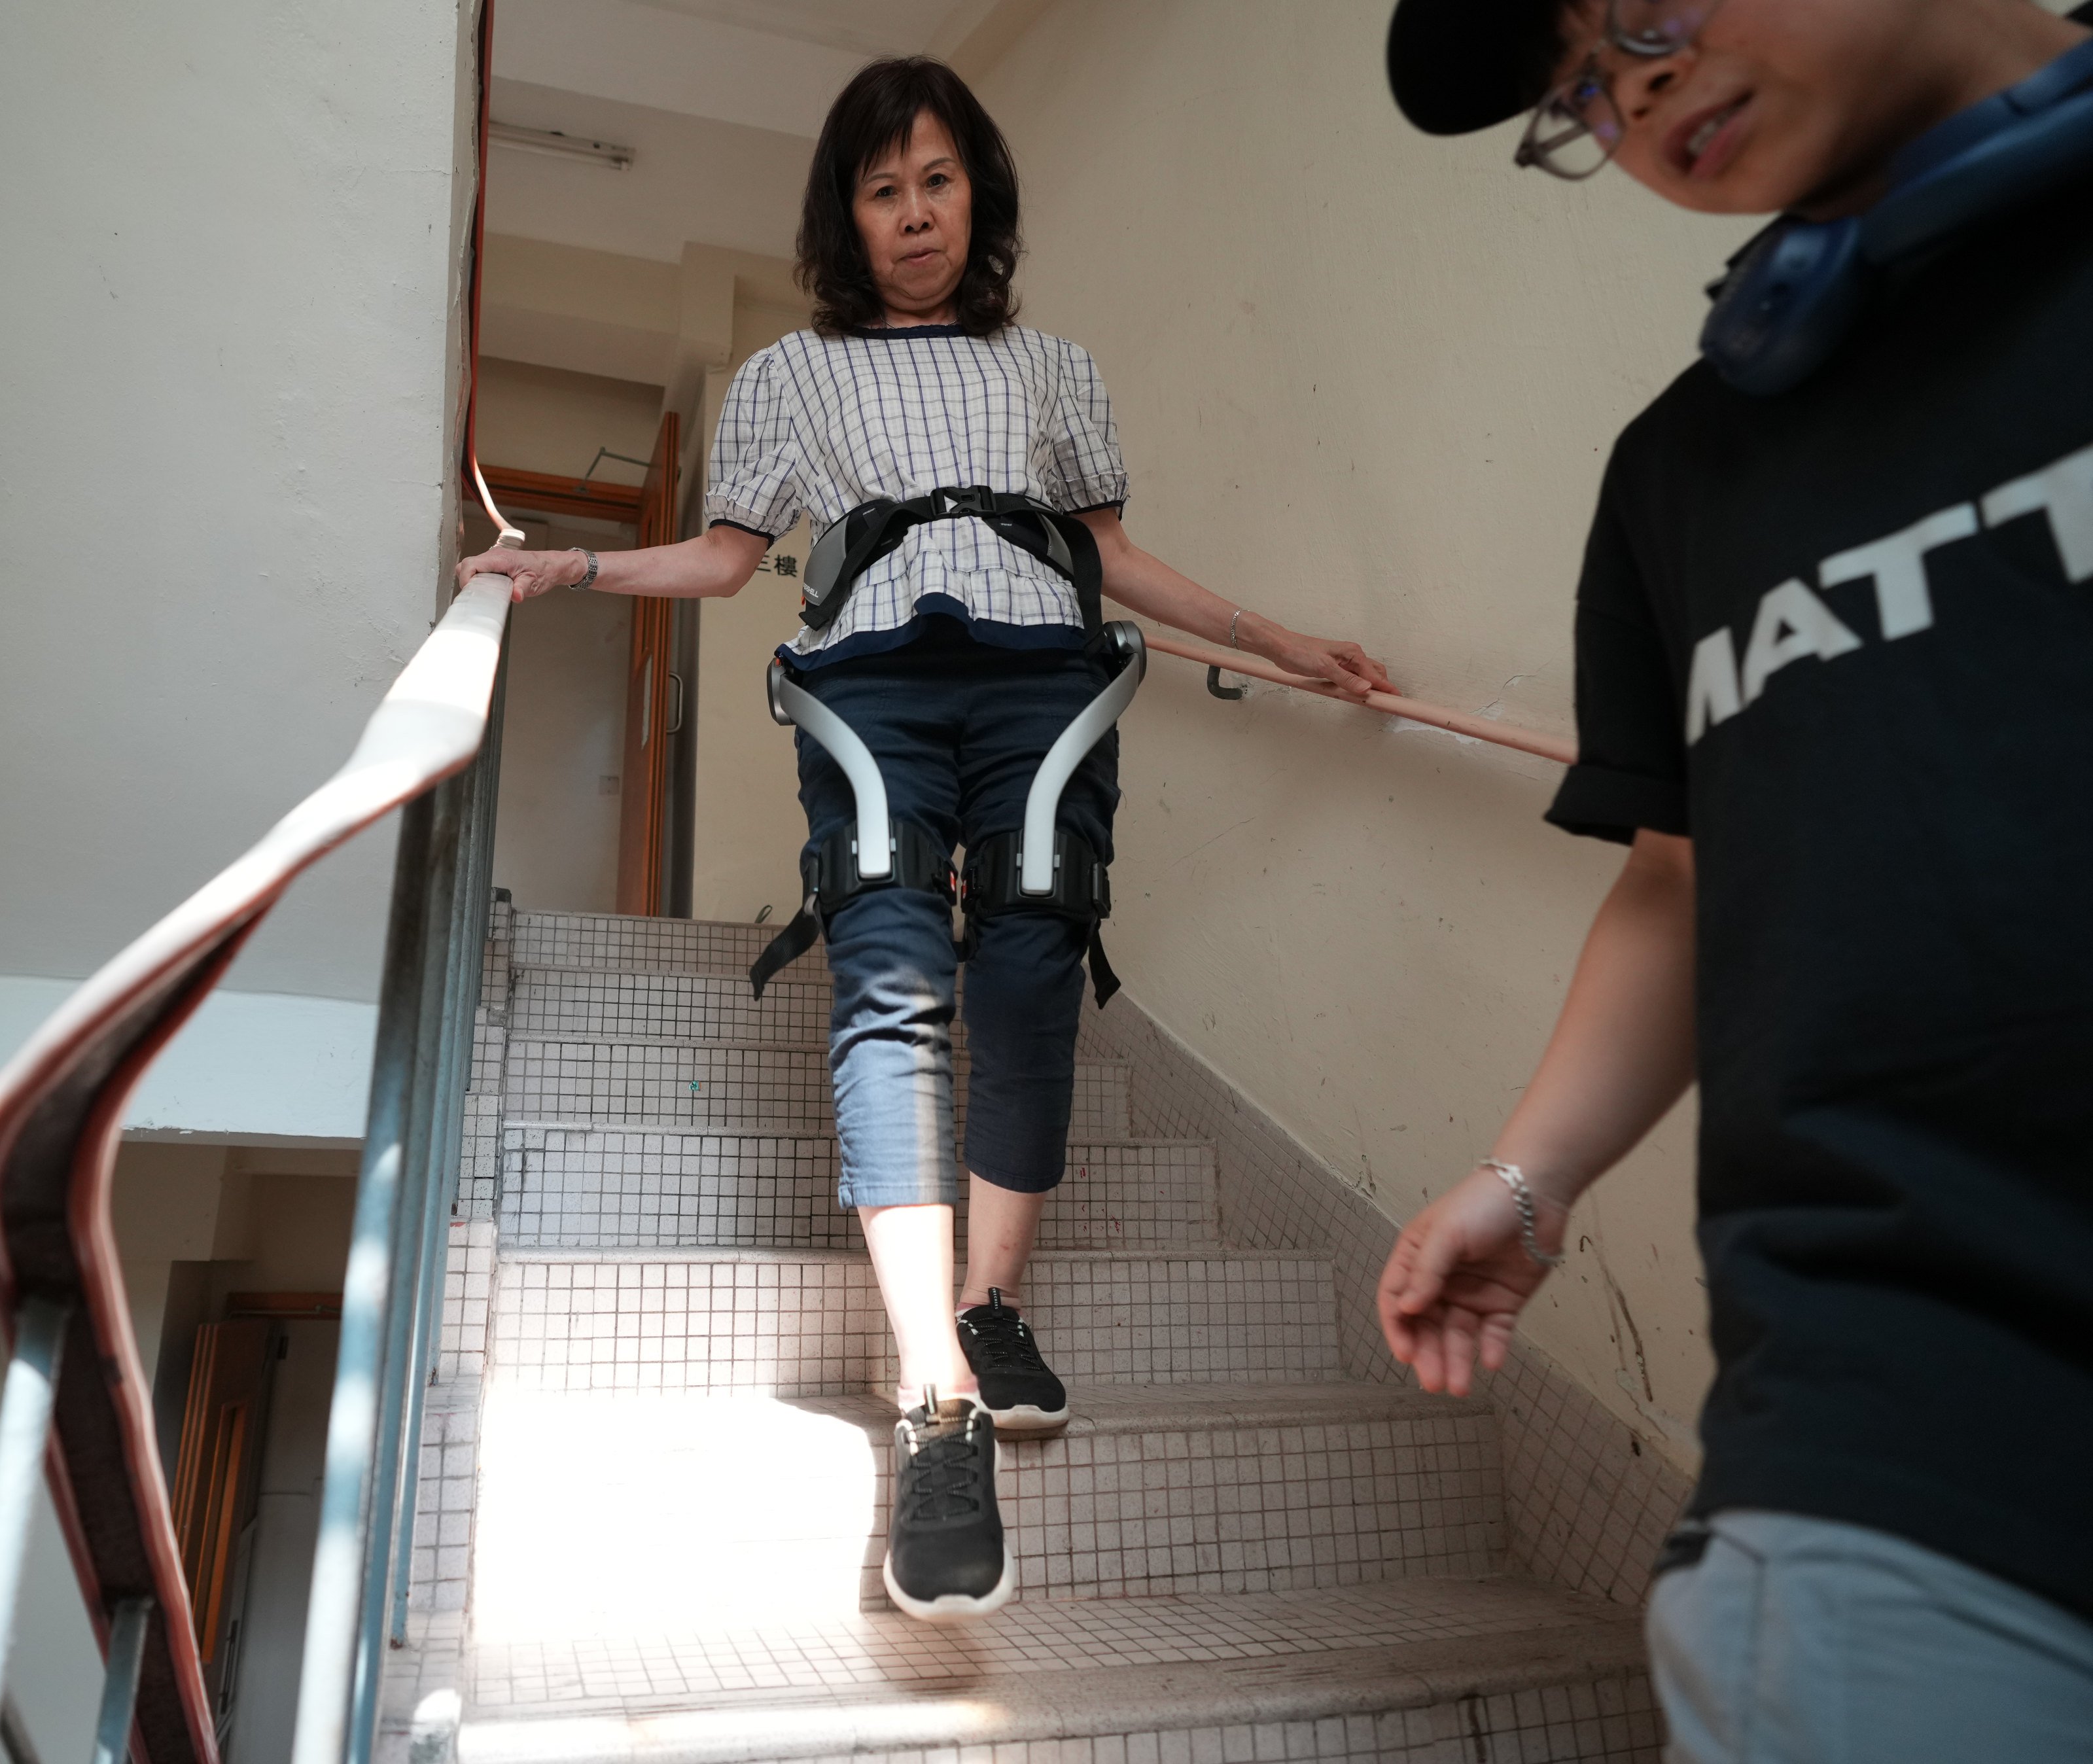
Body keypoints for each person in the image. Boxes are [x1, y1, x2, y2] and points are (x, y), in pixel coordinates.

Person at [459, 56, 1392, 1623]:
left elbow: (1108, 556)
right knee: (891, 984)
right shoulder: (787, 375)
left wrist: (1277, 642)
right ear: (846, 214)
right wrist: (573, 569)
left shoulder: (1055, 370)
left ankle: (990, 1304)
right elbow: (723, 559)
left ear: (979, 194)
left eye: (937, 180)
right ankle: (932, 1401)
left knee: (1028, 974)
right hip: (868, 686)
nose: (912, 214)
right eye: (883, 189)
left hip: (1045, 682)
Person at [1375, 0, 2093, 1755]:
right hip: (1899, 1428)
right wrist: (1527, 1180)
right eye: (1578, 89)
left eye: (1642, 9)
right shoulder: (1678, 474)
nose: (1628, 86)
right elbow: (1685, 877)